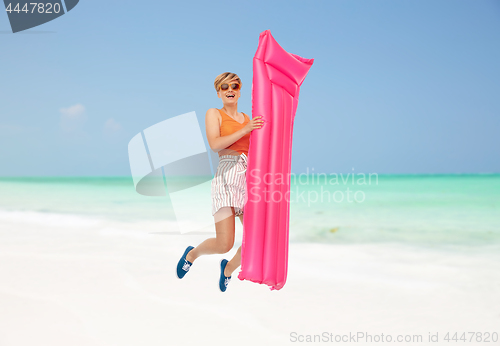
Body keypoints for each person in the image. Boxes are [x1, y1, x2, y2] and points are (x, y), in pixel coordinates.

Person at [176, 72, 264, 292]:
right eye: (224, 87)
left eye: (234, 85)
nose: (230, 90)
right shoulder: (214, 113)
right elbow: (215, 144)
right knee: (224, 244)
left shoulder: (248, 118)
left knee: (256, 238)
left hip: (248, 178)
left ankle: (227, 270)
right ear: (218, 92)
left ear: (240, 89)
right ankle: (191, 254)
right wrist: (245, 130)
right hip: (226, 176)